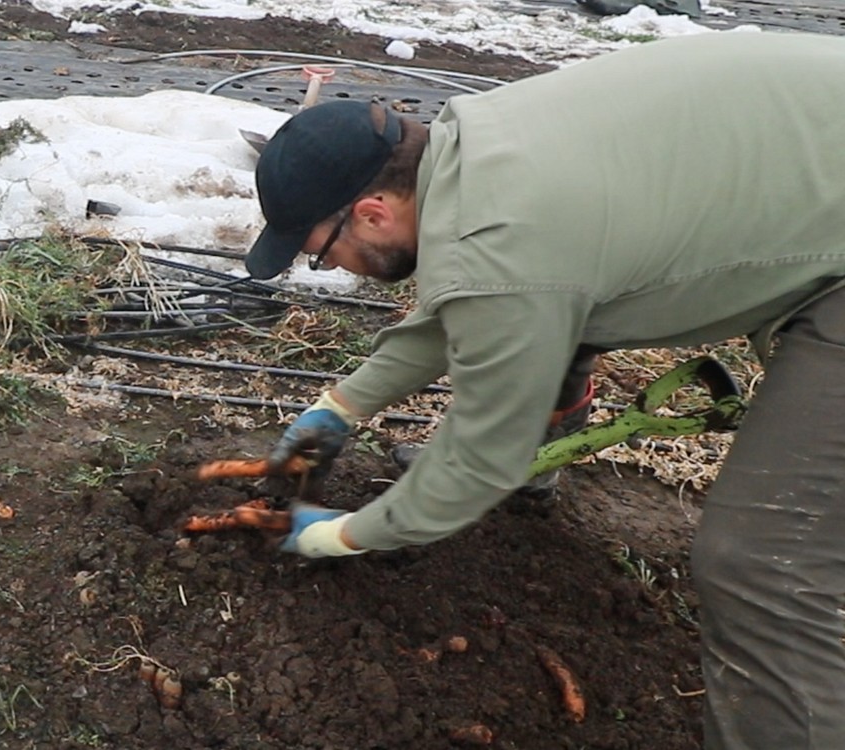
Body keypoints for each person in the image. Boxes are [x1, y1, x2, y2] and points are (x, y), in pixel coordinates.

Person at [242, 32, 845, 750]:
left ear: (372, 212)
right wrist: (342, 404)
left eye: (321, 252)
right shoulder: (480, 144)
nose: (333, 268)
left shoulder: (503, 245)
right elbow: (474, 296)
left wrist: (345, 534)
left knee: (763, 565)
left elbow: (477, 461)